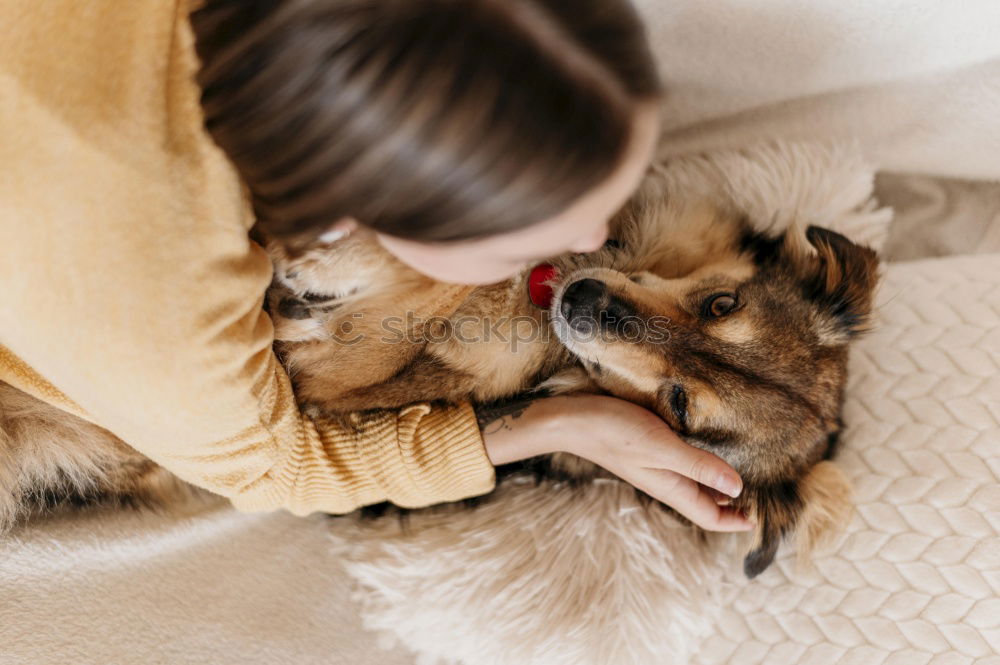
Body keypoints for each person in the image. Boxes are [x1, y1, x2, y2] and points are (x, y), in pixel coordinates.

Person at [0, 0, 750, 531]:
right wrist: (562, 422)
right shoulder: (162, 303)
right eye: (521, 247)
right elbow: (278, 469)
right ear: (340, 221)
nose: (595, 239)